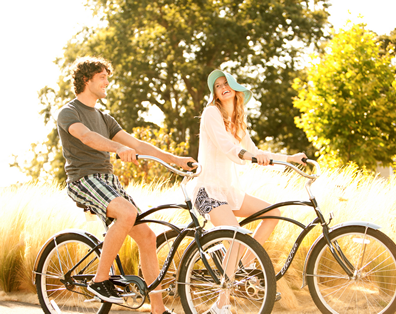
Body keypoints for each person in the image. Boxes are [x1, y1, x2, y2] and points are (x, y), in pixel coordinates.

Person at [57, 56, 196, 314]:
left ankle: (158, 309)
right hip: (84, 179)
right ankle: (100, 281)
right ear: (86, 80)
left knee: (147, 237)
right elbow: (86, 137)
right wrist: (117, 147)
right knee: (128, 212)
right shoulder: (69, 111)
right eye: (102, 78)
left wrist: (175, 159)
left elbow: (139, 145)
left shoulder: (104, 117)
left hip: (108, 181)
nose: (107, 82)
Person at [193, 69, 307, 314]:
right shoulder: (211, 113)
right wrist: (250, 156)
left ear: (236, 89)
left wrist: (290, 158)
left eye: (227, 83)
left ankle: (239, 271)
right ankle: (220, 304)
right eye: (218, 85)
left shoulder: (237, 123)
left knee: (274, 213)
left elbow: (255, 150)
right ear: (214, 93)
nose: (223, 87)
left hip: (229, 192)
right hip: (209, 191)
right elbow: (227, 148)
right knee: (236, 236)